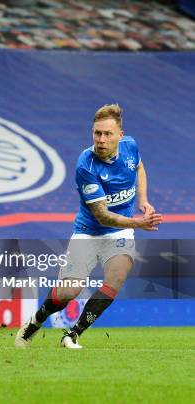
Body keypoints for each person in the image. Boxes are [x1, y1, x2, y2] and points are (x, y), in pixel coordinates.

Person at [15, 104, 163, 349]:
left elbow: (139, 167)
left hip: (121, 231)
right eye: (97, 133)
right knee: (68, 292)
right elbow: (103, 216)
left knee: (116, 275)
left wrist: (144, 200)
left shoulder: (131, 147)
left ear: (120, 136)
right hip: (89, 232)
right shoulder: (86, 165)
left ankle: (72, 334)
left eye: (107, 134)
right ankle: (37, 319)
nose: (101, 140)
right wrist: (138, 222)